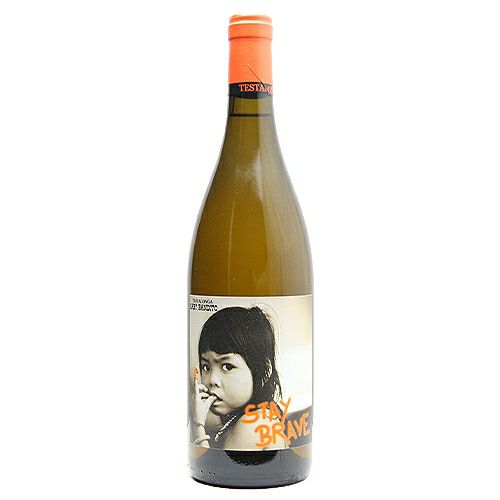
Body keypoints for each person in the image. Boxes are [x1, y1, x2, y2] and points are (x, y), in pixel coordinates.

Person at [190, 306, 288, 450]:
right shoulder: (261, 415)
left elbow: (217, 465)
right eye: (206, 367)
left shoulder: (250, 425)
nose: (212, 380)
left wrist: (198, 424)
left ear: (265, 370)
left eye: (227, 366)